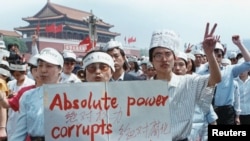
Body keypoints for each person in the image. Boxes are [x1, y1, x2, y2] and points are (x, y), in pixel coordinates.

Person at [149, 22, 221, 141]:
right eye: (158, 55)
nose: (164, 59)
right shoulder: (141, 89)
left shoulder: (189, 82)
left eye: (168, 54)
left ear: (174, 57)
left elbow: (216, 79)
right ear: (151, 60)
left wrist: (209, 53)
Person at [10, 47, 64, 141]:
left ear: (60, 69)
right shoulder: (28, 96)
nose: (43, 70)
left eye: (48, 66)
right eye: (40, 65)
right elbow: (19, 133)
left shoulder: (72, 96)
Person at [197, 35, 250, 125]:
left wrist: (239, 44)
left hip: (226, 112)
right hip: (207, 112)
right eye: (213, 54)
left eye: (219, 55)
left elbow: (248, 63)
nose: (216, 58)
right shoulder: (201, 73)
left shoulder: (229, 70)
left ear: (222, 57)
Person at [234, 58, 250, 125]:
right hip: (237, 115)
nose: (241, 71)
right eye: (240, 68)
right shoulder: (234, 82)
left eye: (244, 69)